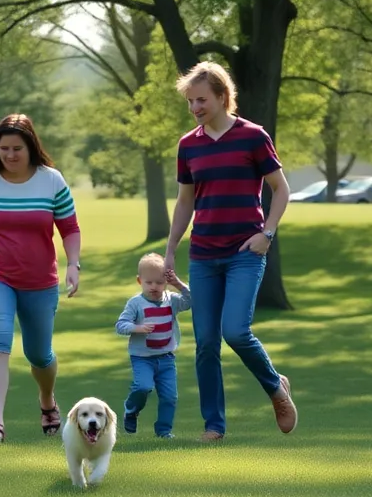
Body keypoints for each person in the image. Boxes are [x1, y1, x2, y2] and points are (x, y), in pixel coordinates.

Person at [164, 61, 298, 441]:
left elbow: (281, 189)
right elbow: (185, 200)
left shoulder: (253, 136)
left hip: (245, 251)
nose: (195, 108)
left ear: (223, 96)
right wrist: (171, 249)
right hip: (203, 254)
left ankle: (276, 389)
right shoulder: (188, 145)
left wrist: (266, 234)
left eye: (201, 100)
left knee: (236, 331)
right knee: (205, 342)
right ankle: (214, 426)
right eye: (190, 102)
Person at [0, 113, 81, 444]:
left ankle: (47, 401)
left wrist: (73, 264)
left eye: (16, 148)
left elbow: (70, 228)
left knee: (40, 354)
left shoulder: (51, 180)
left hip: (39, 279)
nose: (9, 155)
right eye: (3, 148)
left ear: (31, 147)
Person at [115, 253, 192, 439]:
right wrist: (137, 328)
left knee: (170, 397)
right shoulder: (135, 303)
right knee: (143, 387)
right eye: (148, 282)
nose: (154, 287)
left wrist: (178, 284)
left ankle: (164, 431)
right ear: (139, 280)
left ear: (166, 282)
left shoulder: (171, 300)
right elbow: (120, 325)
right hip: (142, 358)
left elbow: (191, 301)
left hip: (166, 358)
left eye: (159, 282)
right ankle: (131, 409)